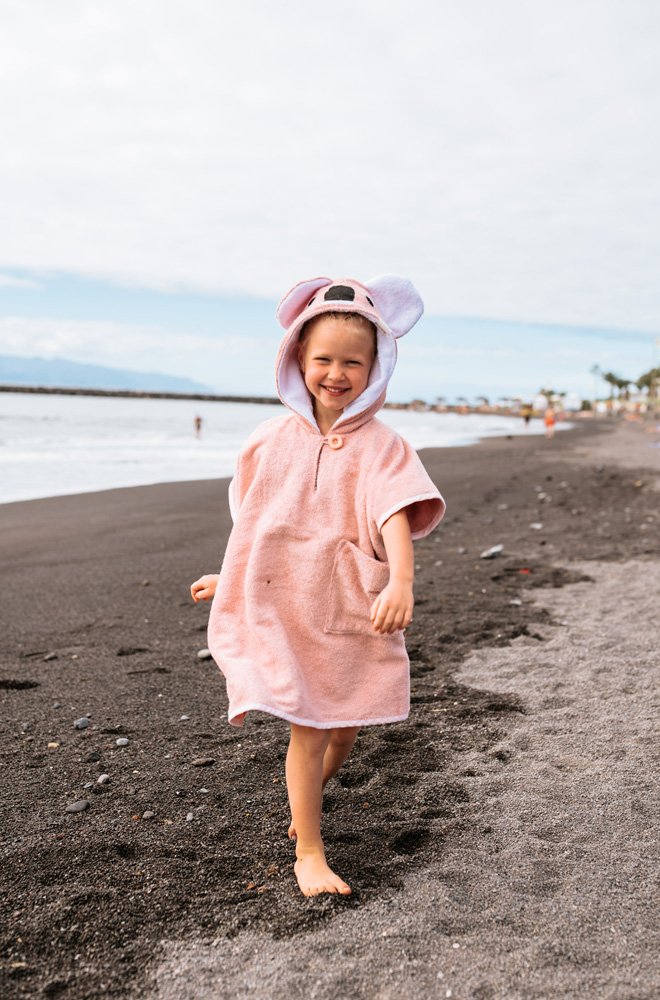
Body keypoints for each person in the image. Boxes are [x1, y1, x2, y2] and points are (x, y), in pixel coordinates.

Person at [190, 276, 445, 898]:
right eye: (323, 359)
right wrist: (235, 575)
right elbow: (256, 520)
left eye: (352, 361)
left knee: (346, 726)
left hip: (348, 605)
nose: (337, 373)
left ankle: (308, 800)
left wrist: (402, 581)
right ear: (297, 362)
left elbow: (393, 512)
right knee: (308, 725)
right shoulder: (269, 441)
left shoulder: (383, 447)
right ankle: (309, 847)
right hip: (283, 603)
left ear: (375, 368)